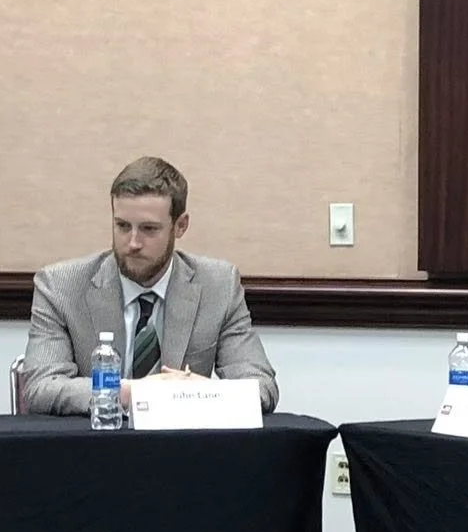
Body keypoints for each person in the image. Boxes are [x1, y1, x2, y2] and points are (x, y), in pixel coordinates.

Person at [21, 156, 278, 416]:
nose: (132, 242)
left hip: (187, 449)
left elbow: (262, 387)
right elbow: (41, 388)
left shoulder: (218, 286)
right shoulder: (60, 286)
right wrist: (138, 392)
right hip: (96, 447)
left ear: (180, 226)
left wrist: (198, 391)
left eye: (148, 229)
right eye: (122, 226)